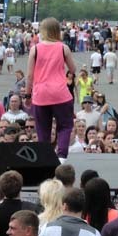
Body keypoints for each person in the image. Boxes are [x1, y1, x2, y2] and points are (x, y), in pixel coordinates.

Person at [25, 17, 77, 162]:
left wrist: (28, 95)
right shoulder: (63, 47)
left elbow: (30, 75)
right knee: (65, 126)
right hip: (60, 93)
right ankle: (61, 156)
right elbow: (73, 69)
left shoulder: (34, 49)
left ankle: (45, 158)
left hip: (40, 94)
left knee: (42, 129)